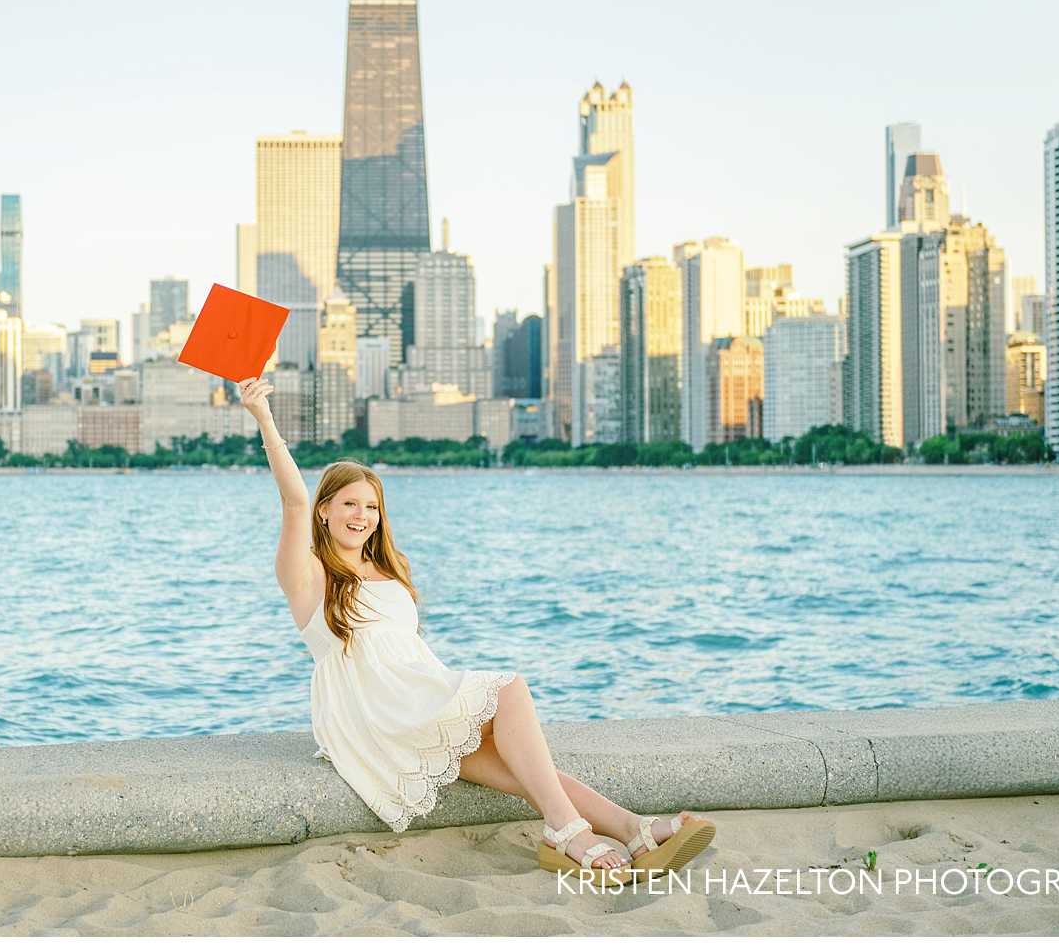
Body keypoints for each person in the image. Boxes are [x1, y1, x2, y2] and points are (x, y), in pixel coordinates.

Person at [237, 375, 716, 882]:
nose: (362, 516)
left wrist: (453, 701)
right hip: (376, 711)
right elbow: (291, 500)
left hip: (418, 698)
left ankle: (632, 826)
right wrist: (264, 418)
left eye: (372, 505)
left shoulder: (391, 567)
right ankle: (566, 833)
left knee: (527, 770)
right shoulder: (309, 575)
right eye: (349, 504)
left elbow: (407, 651)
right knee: (510, 688)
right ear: (325, 509)